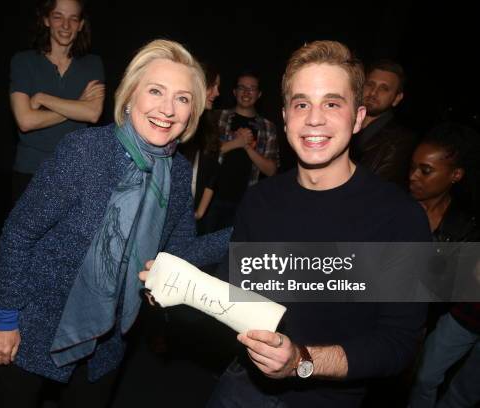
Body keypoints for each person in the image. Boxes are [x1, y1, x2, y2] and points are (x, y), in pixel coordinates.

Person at [0, 39, 231, 408]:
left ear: (193, 111)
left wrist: (244, 234)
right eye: (156, 91)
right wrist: (4, 319)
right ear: (129, 96)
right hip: (30, 326)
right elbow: (19, 234)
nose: (167, 109)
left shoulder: (176, 173)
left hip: (107, 343)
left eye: (182, 98)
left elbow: (177, 253)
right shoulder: (84, 151)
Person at [198, 41, 431, 407]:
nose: (314, 118)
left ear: (358, 118)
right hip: (242, 385)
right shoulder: (260, 200)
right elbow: (234, 290)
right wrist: (179, 286)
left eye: (332, 104)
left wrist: (300, 361)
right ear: (286, 117)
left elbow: (399, 344)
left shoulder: (399, 218)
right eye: (302, 103)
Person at [408, 123, 480, 408]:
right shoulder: (395, 208)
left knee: (464, 391)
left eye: (425, 171)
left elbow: (449, 287)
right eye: (412, 167)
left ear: (456, 175)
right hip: (448, 318)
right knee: (423, 379)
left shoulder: (465, 225)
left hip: (442, 316)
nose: (413, 177)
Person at [10, 0, 105, 202]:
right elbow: (25, 121)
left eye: (73, 19)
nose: (65, 25)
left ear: (80, 25)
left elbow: (93, 113)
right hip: (30, 172)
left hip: (75, 173)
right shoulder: (23, 61)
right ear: (46, 20)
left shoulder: (92, 64)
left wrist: (42, 98)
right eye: (58, 16)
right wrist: (77, 105)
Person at [203, 71, 279, 231]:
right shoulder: (217, 117)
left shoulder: (268, 127)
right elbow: (205, 155)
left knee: (234, 253)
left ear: (259, 94)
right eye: (242, 87)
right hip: (210, 199)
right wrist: (237, 142)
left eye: (251, 88)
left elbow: (271, 170)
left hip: (245, 203)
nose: (246, 92)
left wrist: (246, 146)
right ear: (234, 92)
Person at [350, 59, 417, 189]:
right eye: (370, 84)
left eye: (384, 88)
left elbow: (374, 188)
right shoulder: (343, 124)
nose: (373, 93)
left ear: (396, 99)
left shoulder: (400, 141)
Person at [178, 63, 221, 234]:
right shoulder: (177, 122)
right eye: (213, 86)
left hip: (190, 222)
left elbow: (213, 173)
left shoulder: (208, 126)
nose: (217, 93)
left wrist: (199, 212)